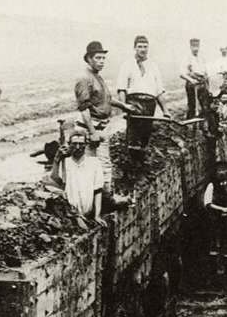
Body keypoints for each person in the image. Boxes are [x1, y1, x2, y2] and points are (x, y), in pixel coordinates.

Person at [75, 41, 139, 193]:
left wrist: (125, 106)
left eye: (103, 58)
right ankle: (105, 199)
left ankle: (100, 198)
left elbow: (106, 99)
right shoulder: (84, 78)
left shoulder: (97, 76)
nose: (102, 61)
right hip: (92, 128)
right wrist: (92, 133)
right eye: (98, 58)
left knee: (99, 165)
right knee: (99, 165)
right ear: (89, 58)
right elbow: (83, 108)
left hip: (100, 127)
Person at [116, 35, 168, 151]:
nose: (143, 49)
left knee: (145, 135)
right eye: (140, 46)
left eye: (145, 47)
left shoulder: (153, 66)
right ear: (135, 48)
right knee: (133, 137)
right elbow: (122, 88)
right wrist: (124, 107)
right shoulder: (127, 65)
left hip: (149, 104)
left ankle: (142, 161)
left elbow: (159, 90)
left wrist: (165, 110)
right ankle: (132, 162)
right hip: (134, 103)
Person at [54, 128, 104, 221]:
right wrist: (56, 160)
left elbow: (98, 191)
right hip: (69, 216)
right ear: (69, 144)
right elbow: (55, 184)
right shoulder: (64, 163)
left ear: (86, 144)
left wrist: (97, 215)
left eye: (81, 144)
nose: (77, 147)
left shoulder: (94, 163)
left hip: (88, 214)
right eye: (74, 144)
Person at [203, 163, 227, 273]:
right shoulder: (211, 185)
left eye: (224, 170)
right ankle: (216, 267)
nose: (222, 173)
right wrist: (221, 209)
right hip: (215, 219)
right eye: (219, 171)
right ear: (216, 173)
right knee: (215, 241)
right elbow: (208, 203)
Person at [181, 38, 208, 119]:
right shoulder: (187, 58)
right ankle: (190, 125)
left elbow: (205, 71)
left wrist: (206, 80)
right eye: (194, 46)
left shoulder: (202, 57)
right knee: (192, 105)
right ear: (190, 47)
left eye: (197, 46)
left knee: (205, 105)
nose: (196, 48)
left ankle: (203, 125)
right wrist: (191, 80)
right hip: (192, 84)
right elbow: (182, 73)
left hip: (202, 83)